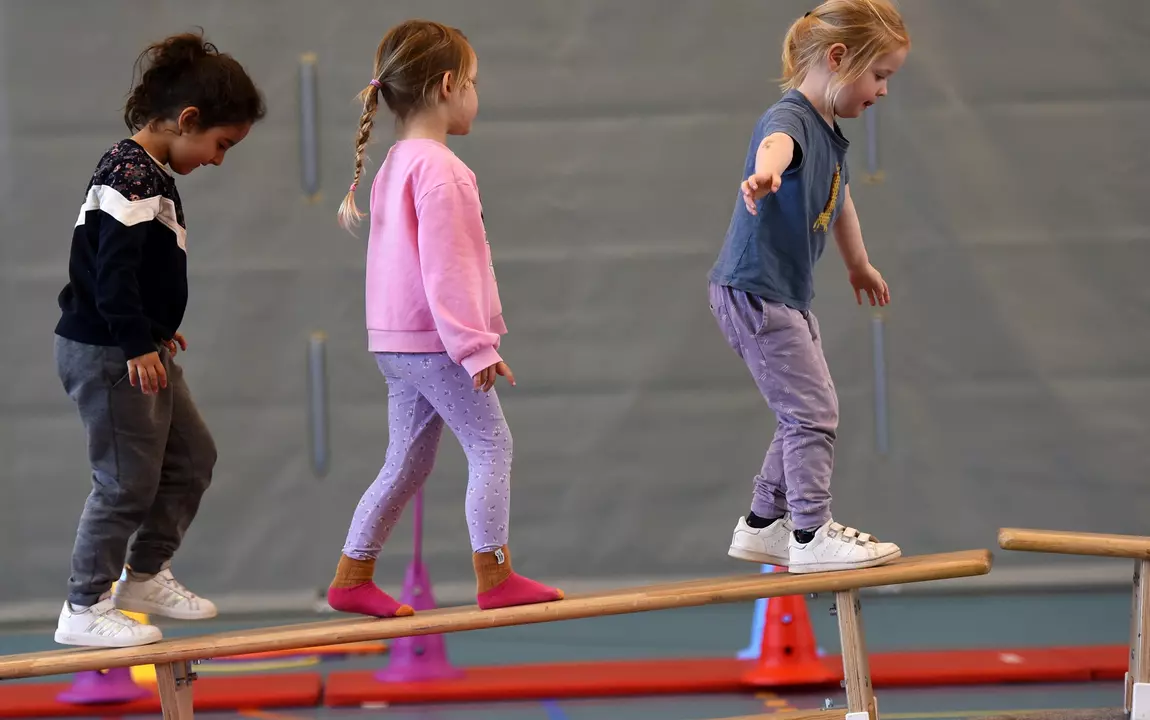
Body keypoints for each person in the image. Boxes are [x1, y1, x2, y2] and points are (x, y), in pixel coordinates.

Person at [328, 19, 564, 617]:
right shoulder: (441, 169)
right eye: (474, 83)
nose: (477, 95)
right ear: (448, 85)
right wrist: (475, 346)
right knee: (492, 446)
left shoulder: (396, 162)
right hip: (435, 341)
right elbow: (447, 269)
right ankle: (495, 575)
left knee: (407, 462)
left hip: (396, 342)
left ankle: (352, 576)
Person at [53, 31, 265, 647]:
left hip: (135, 345)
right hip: (109, 353)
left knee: (192, 458)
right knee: (123, 482)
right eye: (221, 144)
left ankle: (144, 575)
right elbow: (109, 273)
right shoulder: (130, 174)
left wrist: (155, 331)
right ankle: (83, 605)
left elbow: (137, 271)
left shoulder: (147, 173)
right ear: (188, 119)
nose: (219, 160)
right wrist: (135, 341)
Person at [708, 0, 910, 574]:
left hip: (780, 295)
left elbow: (839, 200)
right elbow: (777, 143)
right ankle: (809, 531)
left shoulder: (830, 133)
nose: (883, 91)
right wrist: (767, 172)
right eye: (879, 75)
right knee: (812, 413)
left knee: (807, 411)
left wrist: (858, 265)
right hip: (754, 291)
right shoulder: (792, 118)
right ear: (838, 58)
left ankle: (764, 524)